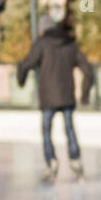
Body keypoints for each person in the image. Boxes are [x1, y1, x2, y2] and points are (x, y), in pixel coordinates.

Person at [16, 15, 94, 183]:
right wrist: (85, 94)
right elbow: (88, 69)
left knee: (46, 130)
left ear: (43, 29)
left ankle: (51, 161)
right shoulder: (70, 44)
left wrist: (20, 78)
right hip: (67, 96)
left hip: (48, 97)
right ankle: (75, 160)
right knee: (69, 129)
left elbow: (27, 63)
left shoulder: (41, 44)